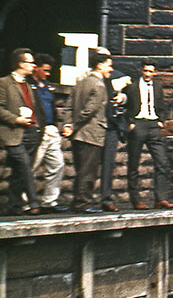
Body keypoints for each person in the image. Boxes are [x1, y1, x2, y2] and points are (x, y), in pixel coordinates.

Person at [124, 62, 173, 209]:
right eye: (145, 71)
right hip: (138, 124)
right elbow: (125, 106)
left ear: (155, 73)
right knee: (134, 164)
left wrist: (161, 121)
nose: (147, 74)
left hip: (154, 126)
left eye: (150, 71)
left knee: (161, 162)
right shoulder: (132, 86)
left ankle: (160, 199)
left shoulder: (158, 87)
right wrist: (131, 122)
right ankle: (136, 200)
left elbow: (161, 105)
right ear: (141, 71)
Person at [0, 49, 44, 215]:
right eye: (30, 62)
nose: (33, 66)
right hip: (13, 133)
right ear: (20, 63)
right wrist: (15, 120)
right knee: (25, 166)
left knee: (19, 171)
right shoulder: (4, 83)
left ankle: (14, 205)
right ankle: (34, 202)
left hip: (31, 132)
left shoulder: (28, 84)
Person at [28, 54, 71, 213]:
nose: (47, 74)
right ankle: (26, 202)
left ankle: (49, 201)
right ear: (35, 68)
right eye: (45, 70)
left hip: (51, 129)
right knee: (32, 166)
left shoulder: (47, 86)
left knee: (57, 164)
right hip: (36, 129)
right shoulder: (28, 86)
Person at [70, 51, 111, 213]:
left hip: (78, 134)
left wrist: (69, 125)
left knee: (81, 169)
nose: (111, 70)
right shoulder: (99, 85)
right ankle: (83, 203)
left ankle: (78, 201)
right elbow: (89, 111)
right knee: (88, 171)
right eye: (109, 66)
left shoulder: (80, 82)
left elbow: (69, 106)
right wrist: (74, 125)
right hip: (92, 133)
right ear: (99, 65)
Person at [96, 48, 129, 212]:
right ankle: (84, 200)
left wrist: (122, 98)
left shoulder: (114, 76)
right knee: (89, 165)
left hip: (111, 125)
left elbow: (128, 94)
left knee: (109, 163)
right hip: (95, 126)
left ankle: (106, 198)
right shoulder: (89, 78)